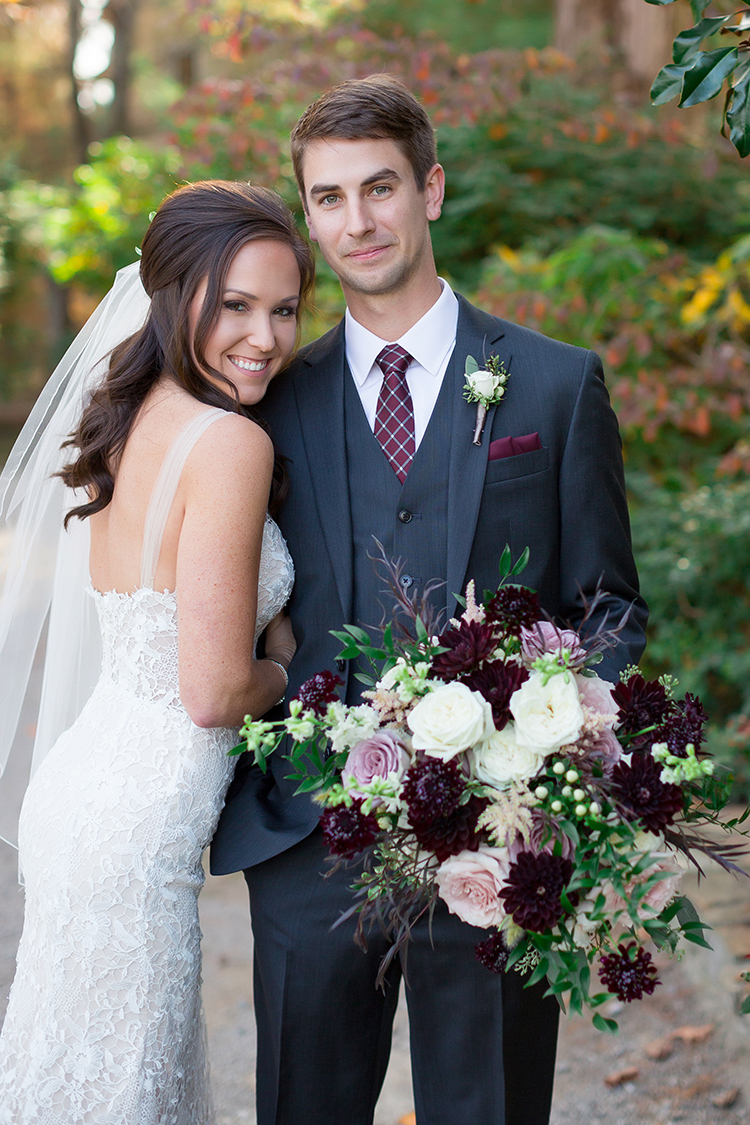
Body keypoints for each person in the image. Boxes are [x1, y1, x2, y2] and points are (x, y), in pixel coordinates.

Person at [210, 76, 648, 1125]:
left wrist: (549, 752)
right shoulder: (266, 404)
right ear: (308, 216)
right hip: (312, 842)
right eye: (327, 198)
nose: (356, 221)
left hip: (497, 845)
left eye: (380, 188)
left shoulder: (551, 384)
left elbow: (609, 609)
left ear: (432, 190)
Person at [0, 180, 314, 1123]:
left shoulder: (129, 413)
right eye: (236, 306)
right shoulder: (228, 443)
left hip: (80, 794)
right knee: (127, 1087)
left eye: (287, 308)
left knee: (74, 1074)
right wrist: (288, 663)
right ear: (175, 298)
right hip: (137, 828)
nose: (265, 336)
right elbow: (216, 690)